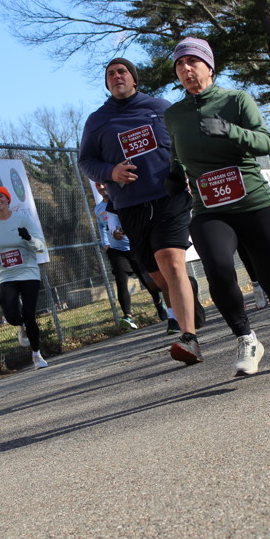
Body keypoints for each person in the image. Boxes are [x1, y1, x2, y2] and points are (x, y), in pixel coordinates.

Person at [165, 37, 270, 377]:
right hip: (209, 208)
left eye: (192, 61)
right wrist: (174, 174)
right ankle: (246, 339)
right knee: (218, 270)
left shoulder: (236, 100)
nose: (185, 69)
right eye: (179, 64)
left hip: (252, 201)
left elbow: (264, 142)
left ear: (209, 67)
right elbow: (177, 155)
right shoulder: (173, 115)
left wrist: (229, 130)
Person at [79, 57, 205, 365]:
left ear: (134, 79)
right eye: (110, 74)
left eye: (122, 71)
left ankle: (189, 339)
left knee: (171, 261)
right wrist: (111, 172)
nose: (116, 76)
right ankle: (188, 293)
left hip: (168, 197)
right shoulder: (98, 120)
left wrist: (186, 172)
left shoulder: (159, 108)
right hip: (130, 206)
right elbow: (86, 161)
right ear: (107, 83)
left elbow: (183, 142)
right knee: (157, 278)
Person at [0, 186, 49, 369]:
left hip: (28, 271)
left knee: (29, 315)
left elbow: (40, 246)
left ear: (8, 199)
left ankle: (37, 356)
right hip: (6, 274)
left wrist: (28, 238)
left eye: (0, 196)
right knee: (11, 315)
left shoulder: (23, 219)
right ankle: (21, 325)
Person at [93, 182, 168, 330]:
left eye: (103, 184)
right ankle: (128, 316)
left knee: (147, 280)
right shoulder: (98, 209)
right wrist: (105, 243)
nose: (102, 187)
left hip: (135, 247)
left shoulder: (122, 201)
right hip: (116, 250)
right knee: (121, 282)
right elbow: (102, 227)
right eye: (98, 185)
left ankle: (158, 302)